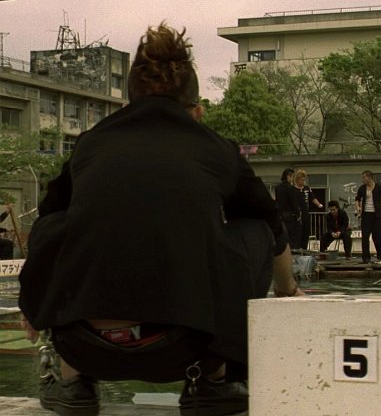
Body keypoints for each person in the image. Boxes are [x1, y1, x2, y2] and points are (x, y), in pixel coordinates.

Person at [16, 23, 302, 416]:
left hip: (85, 346)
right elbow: (272, 227)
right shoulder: (216, 150)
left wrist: (32, 303)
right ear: (197, 112)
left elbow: (45, 230)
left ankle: (74, 384)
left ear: (127, 106)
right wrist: (288, 291)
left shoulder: (91, 144)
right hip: (185, 348)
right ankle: (213, 385)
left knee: (53, 225)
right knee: (254, 227)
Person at [354, 170, 381, 263]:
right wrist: (358, 208)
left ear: (369, 177)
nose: (362, 179)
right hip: (366, 215)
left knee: (378, 236)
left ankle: (380, 256)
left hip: (377, 215)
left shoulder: (379, 187)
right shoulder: (362, 188)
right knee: (365, 237)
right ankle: (366, 258)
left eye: (364, 177)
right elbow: (357, 199)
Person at [293, 169, 324, 250]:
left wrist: (318, 204)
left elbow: (313, 198)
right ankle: (297, 248)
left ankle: (304, 248)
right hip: (297, 213)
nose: (303, 182)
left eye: (304, 180)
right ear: (297, 180)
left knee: (306, 231)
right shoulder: (293, 189)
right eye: (301, 180)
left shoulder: (307, 188)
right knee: (298, 231)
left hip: (305, 212)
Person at [275, 167, 303, 249]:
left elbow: (277, 201)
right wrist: (298, 214)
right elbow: (294, 202)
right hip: (290, 215)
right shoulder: (291, 188)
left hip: (281, 215)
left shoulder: (277, 188)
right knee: (293, 235)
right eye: (292, 177)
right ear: (288, 176)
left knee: (283, 234)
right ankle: (293, 250)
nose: (292, 179)